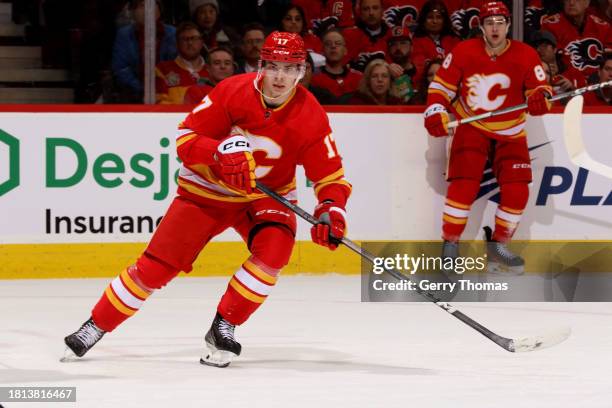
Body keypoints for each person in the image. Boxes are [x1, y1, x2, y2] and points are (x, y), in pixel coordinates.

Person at [62, 31, 352, 368]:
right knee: (155, 269)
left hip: (262, 196)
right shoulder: (232, 91)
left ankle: (224, 326)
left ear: (301, 72)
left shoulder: (311, 114)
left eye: (289, 69)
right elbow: (185, 140)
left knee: (274, 252)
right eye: (272, 67)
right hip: (205, 193)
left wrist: (332, 209)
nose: (279, 77)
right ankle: (95, 325)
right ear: (260, 65)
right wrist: (217, 154)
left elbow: (329, 176)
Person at [423, 1, 553, 274]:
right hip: (472, 126)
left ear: (508, 25)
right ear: (481, 27)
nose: (495, 28)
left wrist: (541, 98)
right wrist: (435, 110)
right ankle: (450, 245)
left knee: (518, 191)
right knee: (463, 186)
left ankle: (498, 245)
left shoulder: (526, 54)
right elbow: (440, 88)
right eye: (489, 23)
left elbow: (541, 88)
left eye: (500, 23)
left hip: (511, 130)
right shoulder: (463, 51)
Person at [111, 0, 177, 102]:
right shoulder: (124, 35)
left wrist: (162, 87)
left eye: (151, 5)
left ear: (159, 10)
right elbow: (121, 69)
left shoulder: (172, 33)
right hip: (133, 94)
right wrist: (143, 89)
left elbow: (177, 63)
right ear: (133, 12)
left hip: (169, 91)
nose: (147, 10)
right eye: (141, 6)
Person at [541, 0, 612, 80]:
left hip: (598, 85)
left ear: (587, 3)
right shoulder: (550, 25)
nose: (571, 3)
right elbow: (550, 64)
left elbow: (609, 61)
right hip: (566, 85)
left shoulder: (603, 27)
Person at [155, 22, 209, 104]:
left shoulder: (212, 70)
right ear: (177, 44)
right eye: (185, 39)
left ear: (202, 43)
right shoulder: (162, 69)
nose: (190, 43)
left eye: (194, 38)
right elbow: (160, 104)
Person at [311, 29, 363, 98]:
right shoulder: (314, 80)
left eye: (338, 43)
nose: (333, 46)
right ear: (322, 50)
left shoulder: (358, 79)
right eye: (328, 44)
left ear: (345, 50)